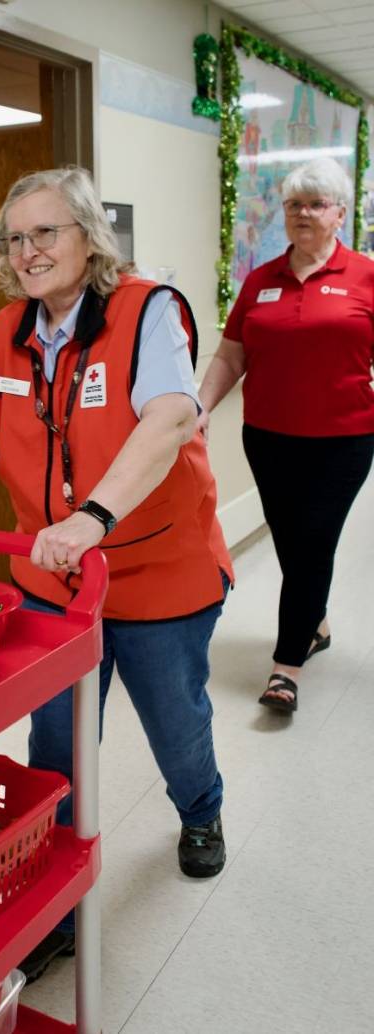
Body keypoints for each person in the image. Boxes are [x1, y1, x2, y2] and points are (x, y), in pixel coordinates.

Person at [0, 166, 233, 981]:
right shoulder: (7, 330)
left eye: (46, 232)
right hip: (50, 581)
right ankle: (52, 886)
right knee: (55, 738)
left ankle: (201, 810)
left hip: (155, 572)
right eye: (15, 238)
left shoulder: (149, 311)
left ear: (90, 237)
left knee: (174, 721)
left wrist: (94, 519)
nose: (28, 250)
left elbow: (169, 419)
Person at [198, 157, 374, 714]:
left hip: (343, 441)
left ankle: (285, 668)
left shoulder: (365, 277)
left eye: (315, 204)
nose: (302, 214)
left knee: (314, 541)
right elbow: (232, 354)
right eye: (294, 204)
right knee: (294, 542)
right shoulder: (261, 278)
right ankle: (315, 623)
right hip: (269, 439)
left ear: (339, 214)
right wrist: (198, 408)